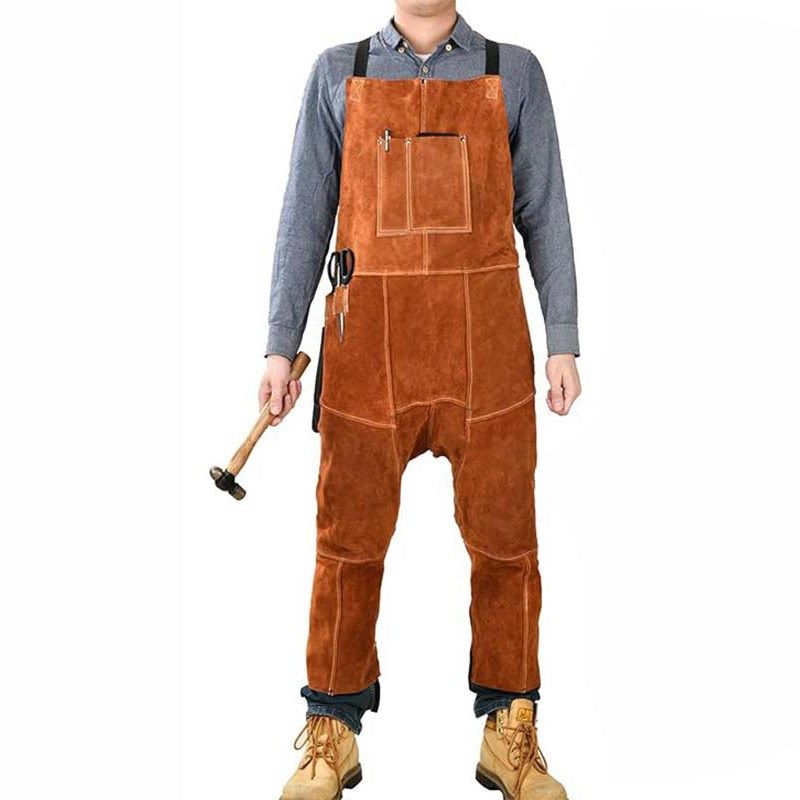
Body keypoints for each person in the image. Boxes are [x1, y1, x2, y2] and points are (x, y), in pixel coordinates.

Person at [259, 3, 581, 798]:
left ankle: (511, 731)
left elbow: (545, 210)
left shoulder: (513, 71)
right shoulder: (339, 72)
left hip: (490, 353)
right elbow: (304, 216)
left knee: (508, 545)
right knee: (346, 543)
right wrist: (278, 344)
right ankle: (331, 731)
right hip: (365, 351)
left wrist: (563, 339)